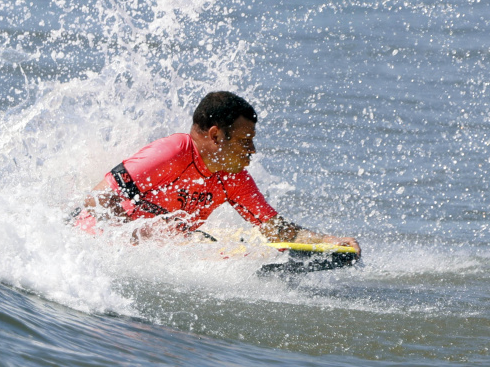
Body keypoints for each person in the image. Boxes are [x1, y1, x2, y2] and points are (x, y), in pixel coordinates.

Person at [74, 91, 360, 255]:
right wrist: (138, 241)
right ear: (216, 136)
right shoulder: (173, 152)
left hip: (157, 252)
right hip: (91, 246)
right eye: (245, 141)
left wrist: (327, 241)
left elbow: (276, 230)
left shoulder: (234, 179)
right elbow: (97, 199)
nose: (252, 151)